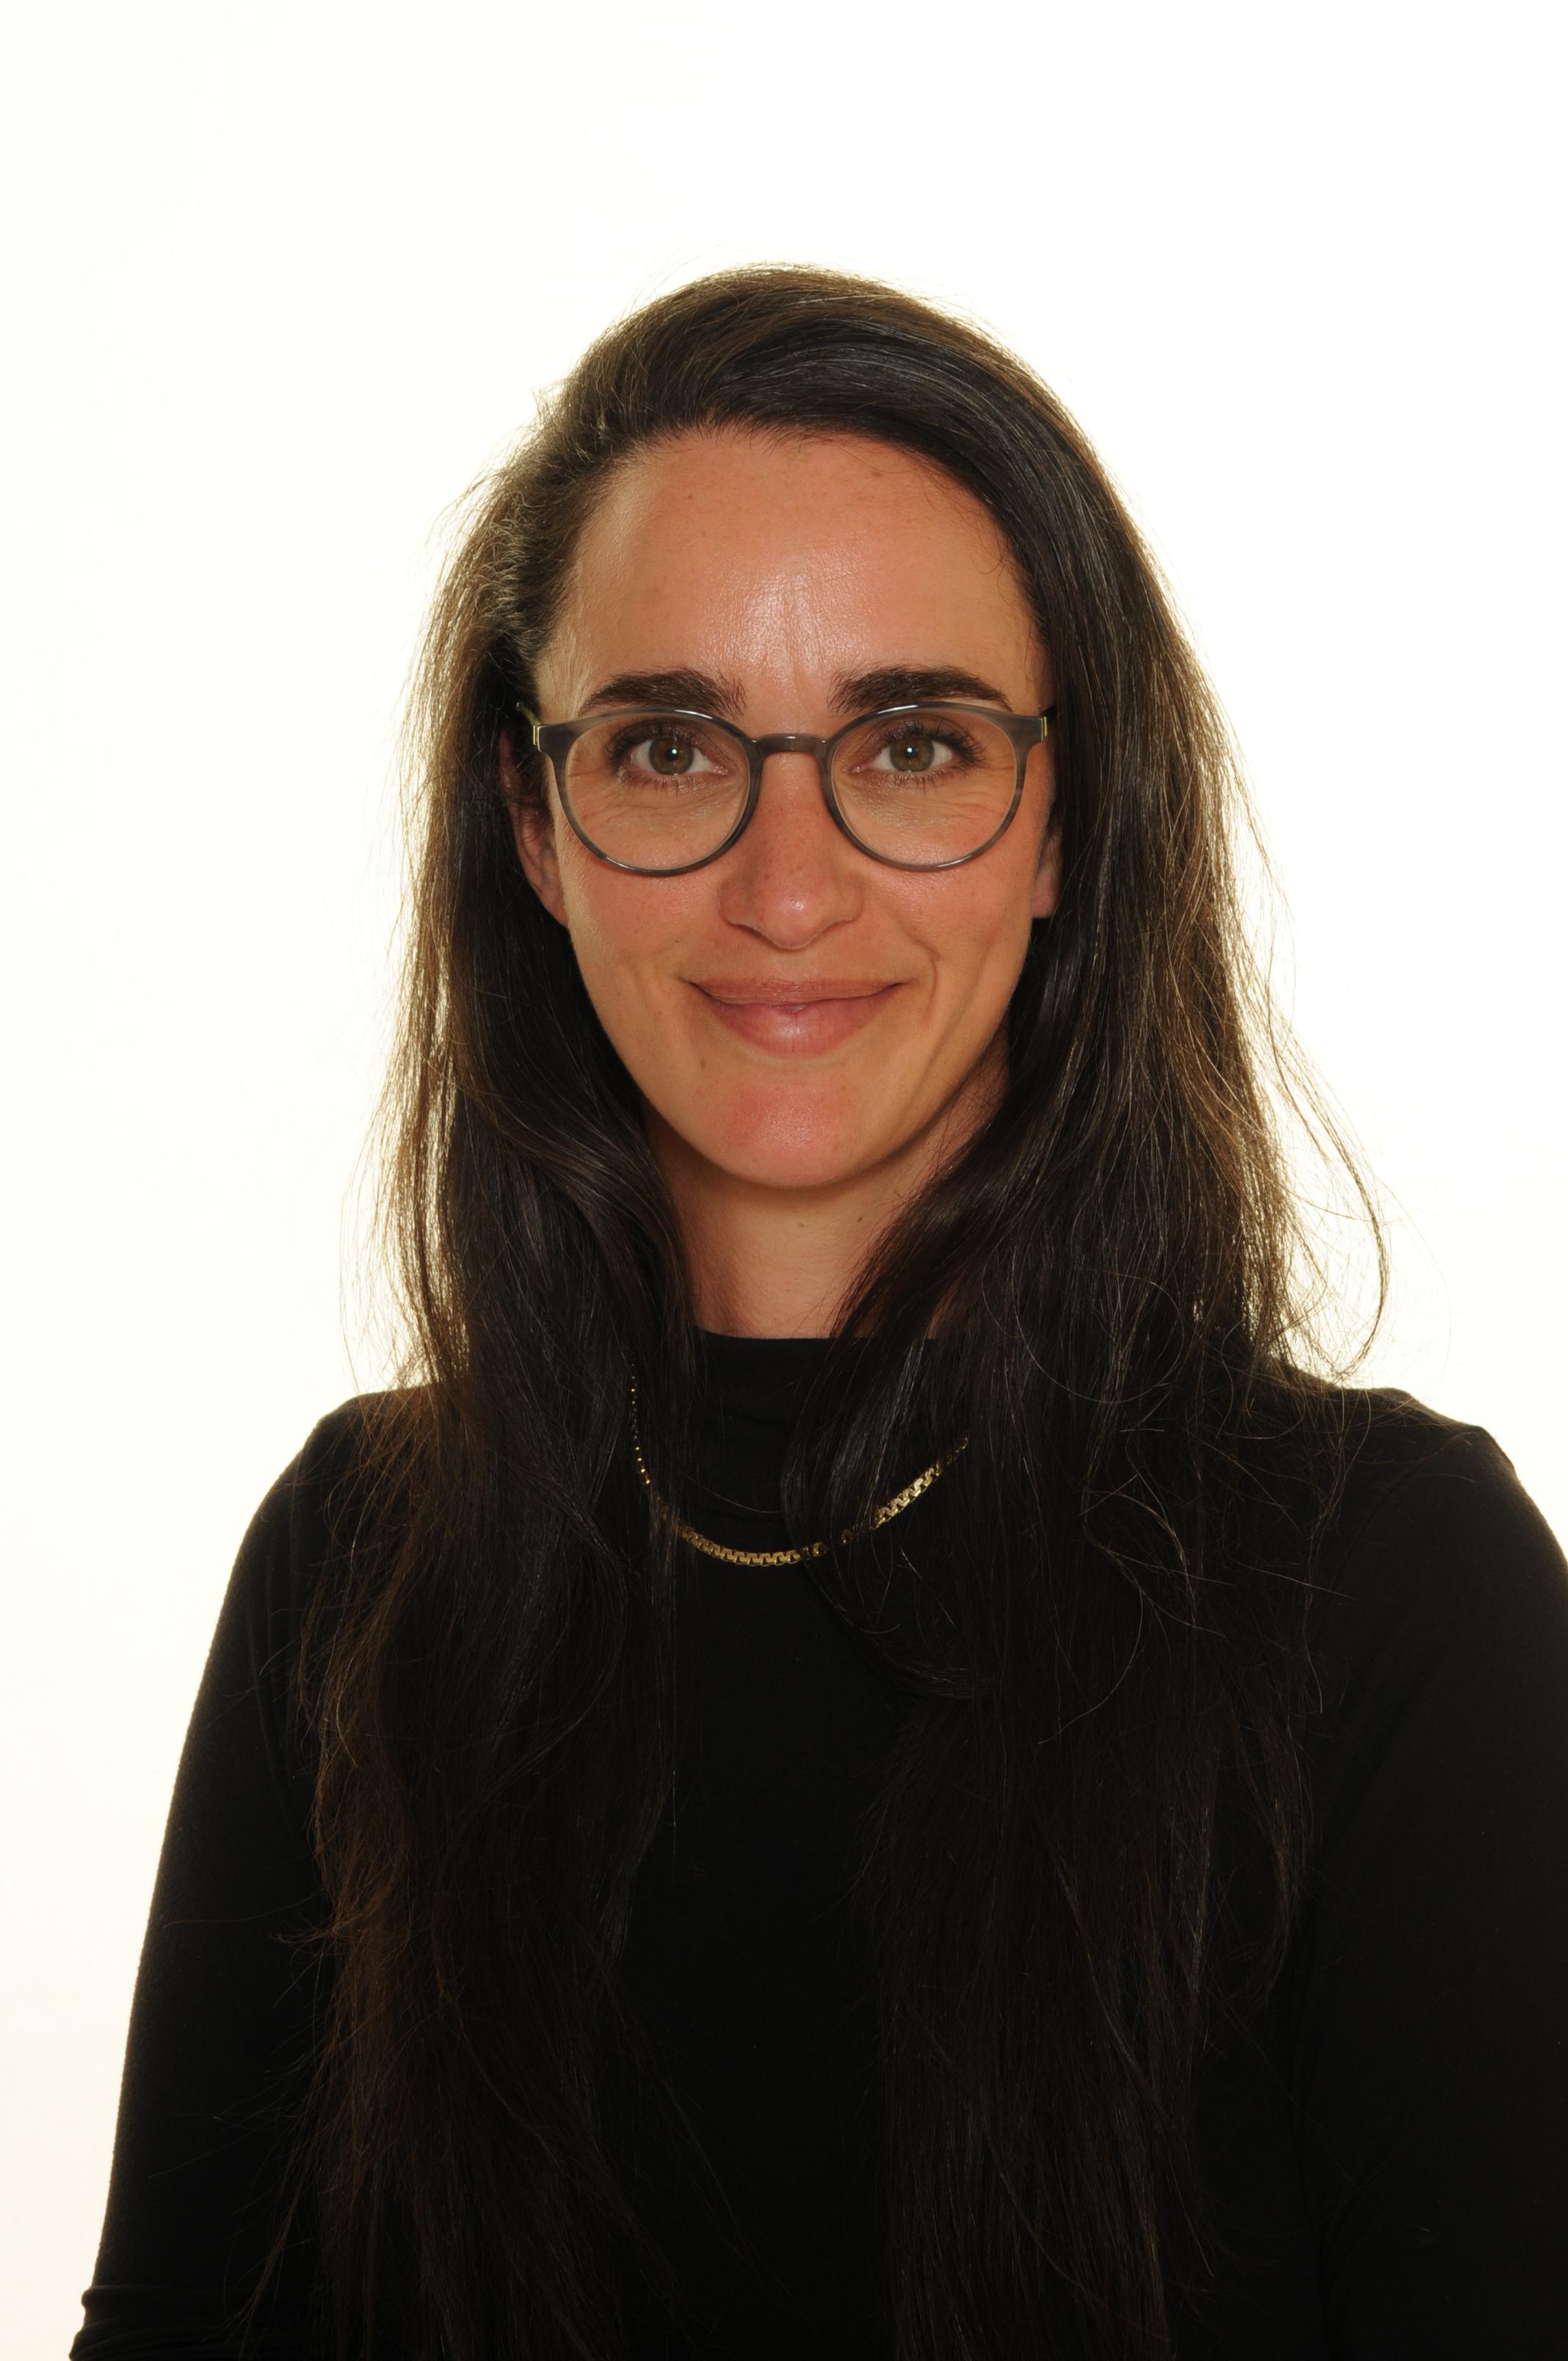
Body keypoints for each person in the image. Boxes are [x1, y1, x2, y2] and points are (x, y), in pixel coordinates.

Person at [72, 266, 1568, 2361]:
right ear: (535, 827)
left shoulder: (1389, 1588)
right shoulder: (361, 1565)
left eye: (917, 744)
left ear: (1067, 821)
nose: (788, 888)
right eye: (670, 747)